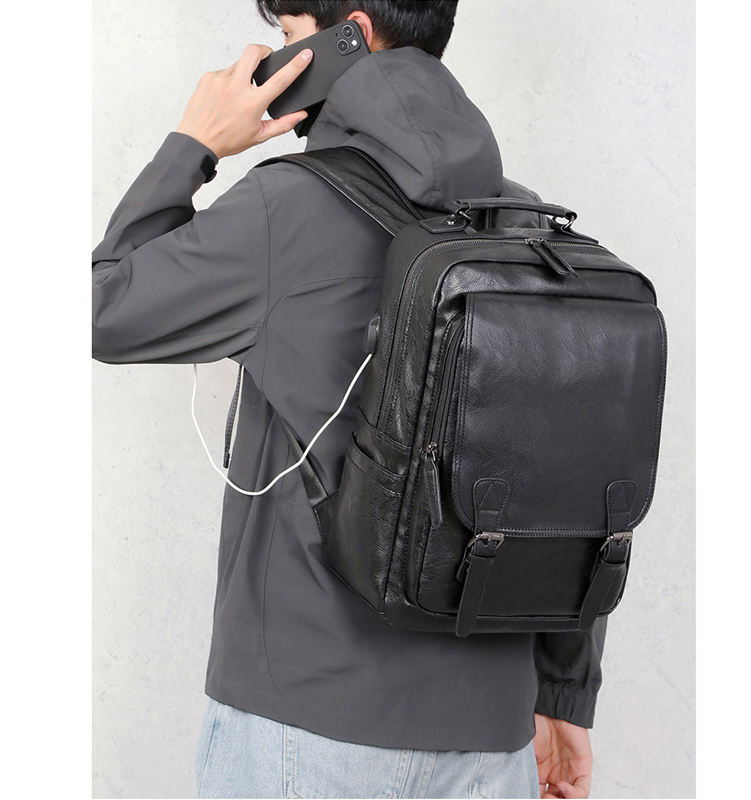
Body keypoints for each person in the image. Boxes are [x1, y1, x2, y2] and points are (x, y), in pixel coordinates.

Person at [92, 1, 607, 797]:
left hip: (307, 729)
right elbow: (569, 477)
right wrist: (563, 695)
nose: (270, 60)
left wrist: (195, 143)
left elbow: (102, 306)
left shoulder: (284, 208)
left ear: (351, 36)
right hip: (491, 740)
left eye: (289, 37)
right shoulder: (526, 226)